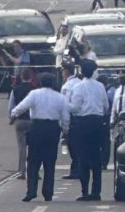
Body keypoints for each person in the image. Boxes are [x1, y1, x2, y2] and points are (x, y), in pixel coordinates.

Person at [10, 72, 70, 203]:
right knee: (50, 162)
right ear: (54, 84)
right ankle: (48, 193)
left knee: (33, 161)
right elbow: (65, 117)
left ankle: (31, 191)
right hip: (53, 129)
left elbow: (21, 107)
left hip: (37, 127)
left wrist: (13, 115)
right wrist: (65, 131)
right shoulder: (60, 98)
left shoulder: (34, 94)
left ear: (40, 83)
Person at [68, 60, 109, 201]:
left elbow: (75, 107)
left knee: (83, 157)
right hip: (97, 122)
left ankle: (84, 191)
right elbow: (105, 106)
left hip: (82, 123)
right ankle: (96, 191)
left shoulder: (78, 87)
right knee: (96, 158)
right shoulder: (100, 86)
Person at [7, 69, 34, 179]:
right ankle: (33, 170)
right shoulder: (34, 90)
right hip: (32, 121)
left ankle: (22, 171)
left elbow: (11, 106)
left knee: (22, 147)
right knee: (33, 147)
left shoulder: (15, 90)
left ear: (21, 77)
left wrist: (12, 117)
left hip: (20, 121)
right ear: (31, 78)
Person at [60, 63, 82, 181]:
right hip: (82, 118)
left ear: (67, 72)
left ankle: (76, 169)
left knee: (72, 146)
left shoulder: (67, 86)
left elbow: (65, 106)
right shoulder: (80, 83)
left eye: (63, 71)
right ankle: (79, 168)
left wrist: (64, 126)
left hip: (72, 119)